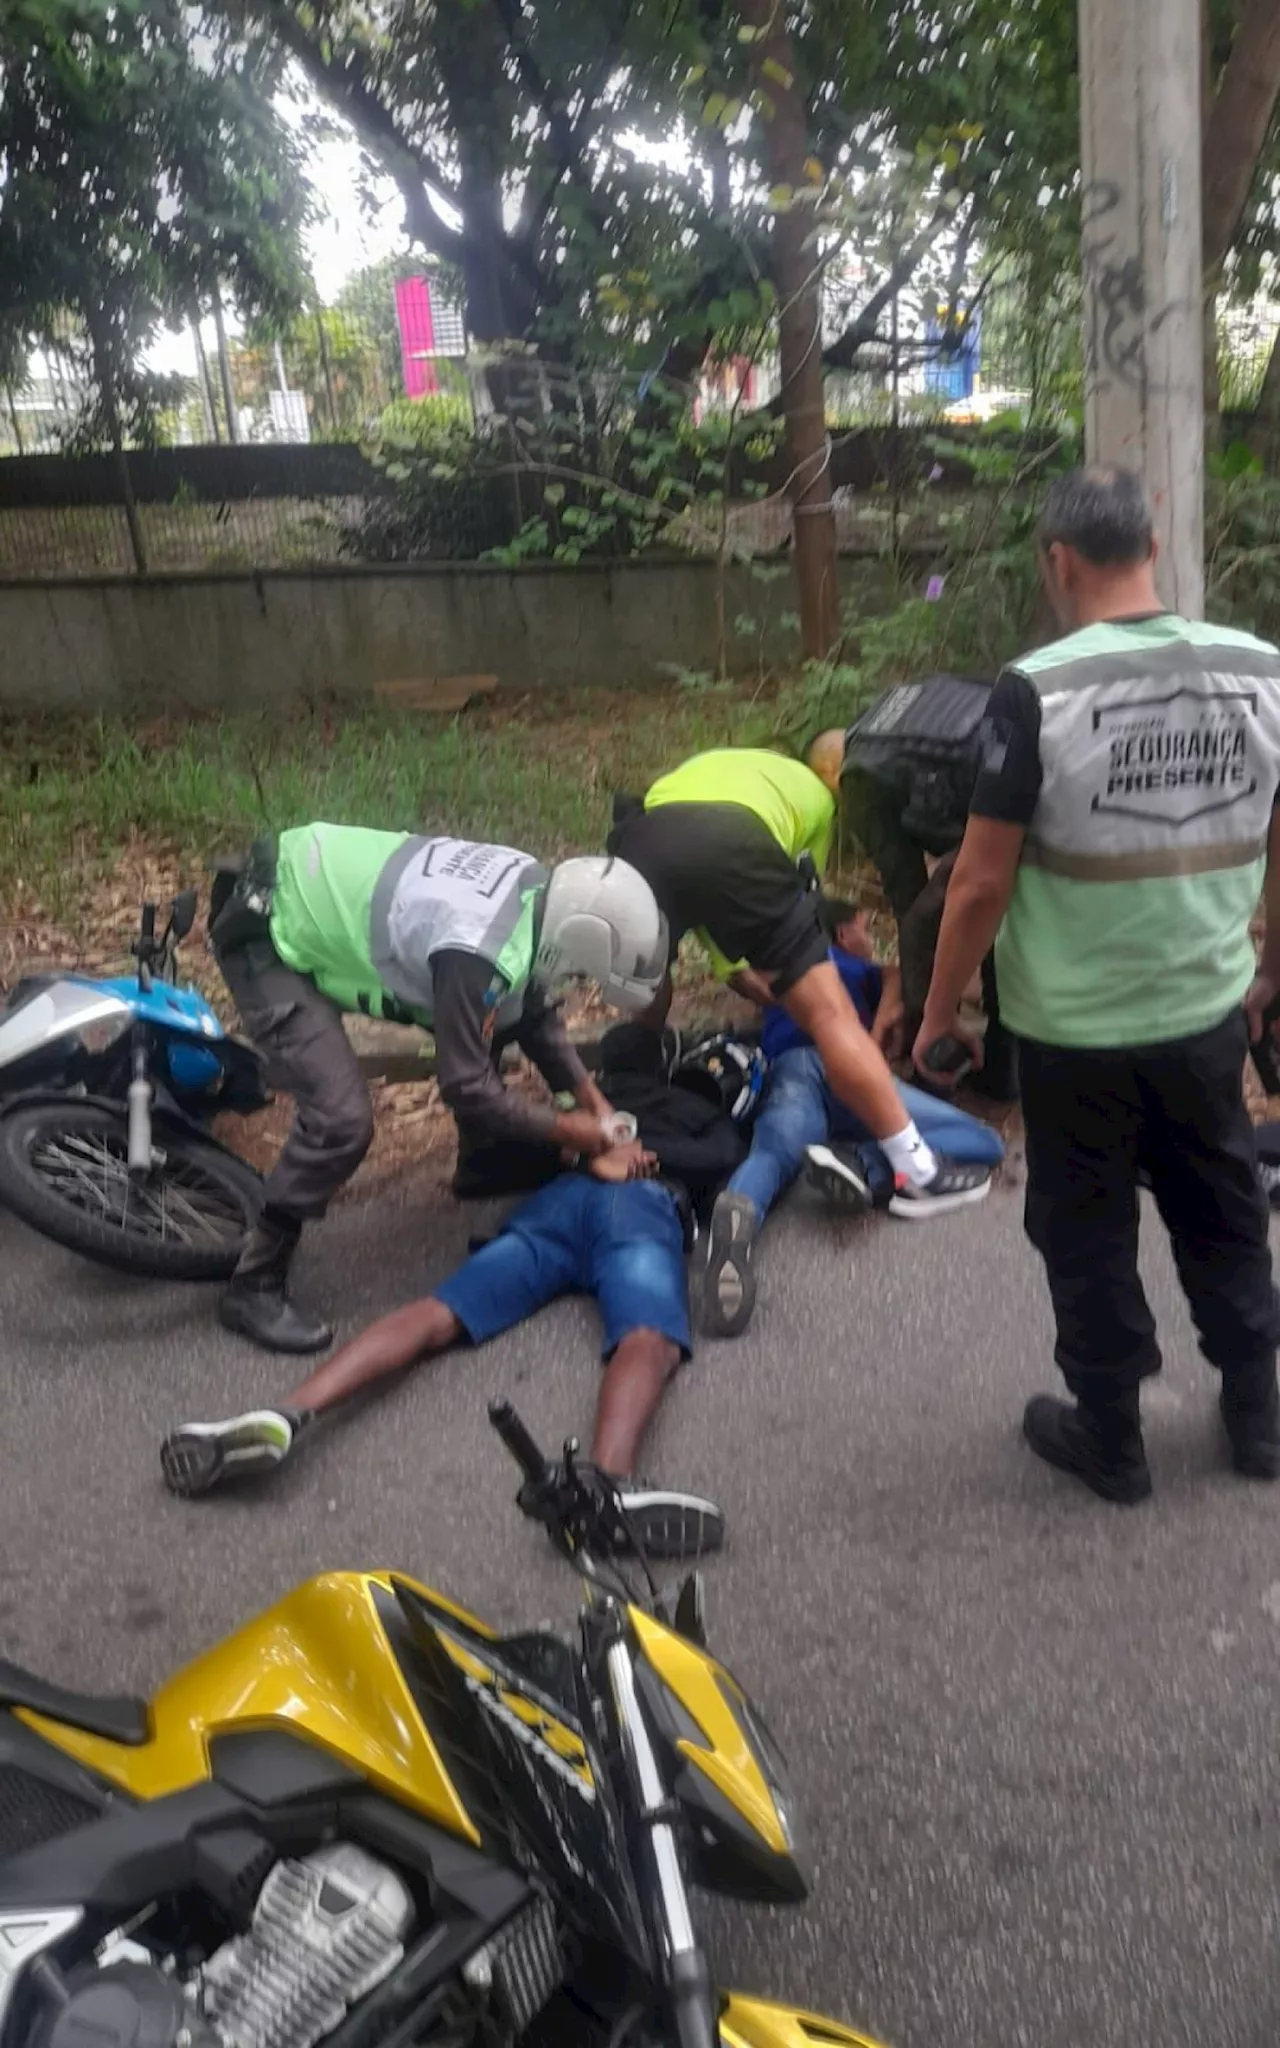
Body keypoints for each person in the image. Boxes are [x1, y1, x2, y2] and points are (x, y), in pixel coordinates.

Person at [915, 463, 1280, 1502]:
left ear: (1058, 561)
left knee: (1083, 1229)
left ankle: (1111, 1440)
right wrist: (1270, 968)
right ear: (1151, 549)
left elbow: (979, 880)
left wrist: (941, 1014)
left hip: (1071, 1033)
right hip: (1202, 1010)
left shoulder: (1037, 689)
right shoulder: (1256, 668)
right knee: (1220, 1203)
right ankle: (1256, 1415)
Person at [160, 1022, 747, 1560]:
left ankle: (288, 1412)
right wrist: (638, 1159)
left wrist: (578, 1151)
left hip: (553, 1211)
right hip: (637, 1207)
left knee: (436, 1313)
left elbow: (479, 1170)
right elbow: (726, 1155)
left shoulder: (575, 1115)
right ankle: (606, 1488)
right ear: (669, 1062)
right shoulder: (687, 1107)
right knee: (647, 1337)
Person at [209, 828, 668, 1355]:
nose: (581, 982)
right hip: (266, 925)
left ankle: (483, 1164)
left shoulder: (538, 893)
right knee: (341, 1121)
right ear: (581, 936)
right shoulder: (478, 948)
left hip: (303, 883)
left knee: (489, 1020)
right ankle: (253, 1284)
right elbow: (465, 1084)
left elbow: (530, 1012)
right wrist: (574, 1131)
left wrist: (596, 1104)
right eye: (585, 972)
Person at [607, 741, 981, 1220]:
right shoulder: (820, 802)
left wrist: (730, 967)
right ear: (836, 777)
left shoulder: (726, 763)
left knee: (651, 976)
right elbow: (806, 905)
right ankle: (917, 1170)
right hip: (737, 838)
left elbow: (699, 882)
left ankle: (627, 1104)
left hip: (644, 838)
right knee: (830, 1014)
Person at [702, 901, 1003, 1335]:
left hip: (792, 1069)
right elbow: (894, 972)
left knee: (772, 1153)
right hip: (858, 1077)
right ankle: (867, 1163)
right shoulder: (849, 965)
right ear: (843, 934)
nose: (870, 941)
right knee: (985, 1142)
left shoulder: (788, 969)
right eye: (865, 930)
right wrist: (882, 1020)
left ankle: (740, 1216)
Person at [842, 676, 1018, 1099]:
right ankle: (954, 1058)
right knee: (942, 915)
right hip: (985, 777)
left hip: (997, 784)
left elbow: (922, 905)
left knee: (926, 920)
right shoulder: (874, 754)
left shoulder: (866, 759)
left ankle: (943, 1067)